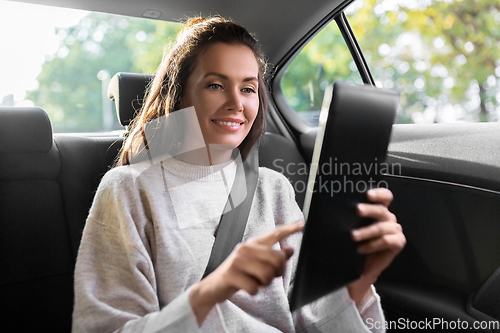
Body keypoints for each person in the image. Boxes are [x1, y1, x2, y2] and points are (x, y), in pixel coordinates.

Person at [72, 16, 406, 332]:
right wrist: (215, 288)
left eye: (247, 89)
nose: (236, 102)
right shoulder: (129, 189)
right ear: (180, 95)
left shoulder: (273, 188)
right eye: (216, 85)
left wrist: (361, 280)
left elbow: (307, 318)